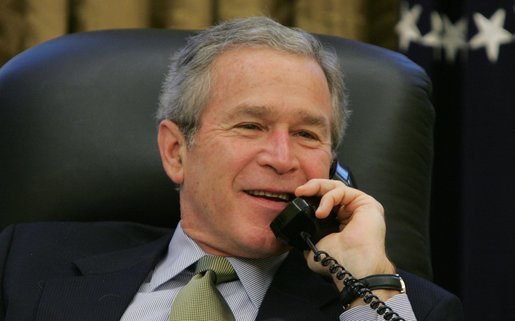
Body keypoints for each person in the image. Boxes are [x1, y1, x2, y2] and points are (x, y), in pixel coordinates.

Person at [0, 17, 463, 321]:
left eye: (307, 134)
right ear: (176, 152)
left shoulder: (401, 306)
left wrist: (367, 286)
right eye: (250, 125)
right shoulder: (21, 262)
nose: (282, 159)